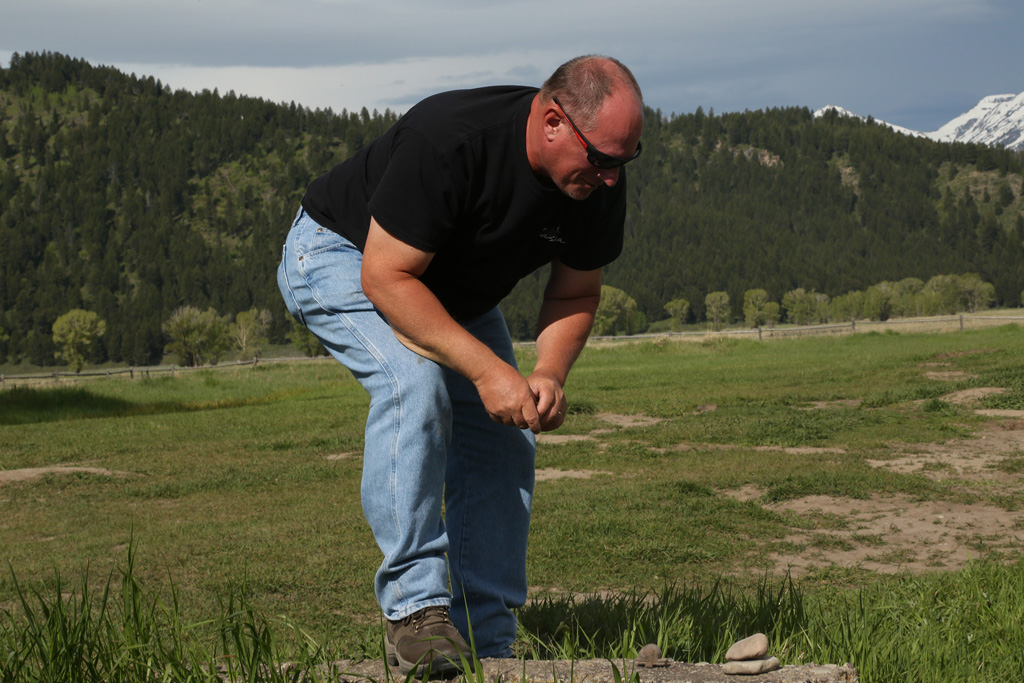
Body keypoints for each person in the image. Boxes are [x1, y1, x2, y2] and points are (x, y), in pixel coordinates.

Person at [277, 54, 643, 676]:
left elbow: (576, 292)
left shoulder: (597, 179)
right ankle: (416, 615)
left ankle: (487, 641)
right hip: (344, 255)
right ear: (553, 121)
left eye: (624, 161)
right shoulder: (450, 141)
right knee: (414, 385)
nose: (611, 177)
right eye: (603, 159)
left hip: (444, 289)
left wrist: (548, 372)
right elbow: (385, 277)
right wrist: (487, 371)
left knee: (509, 431)